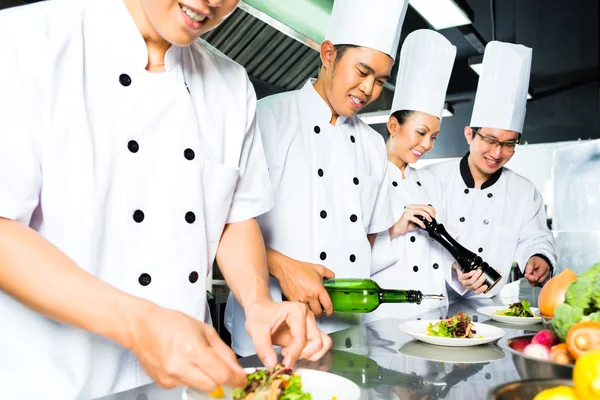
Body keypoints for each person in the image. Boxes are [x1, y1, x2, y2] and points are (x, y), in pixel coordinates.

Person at [0, 0, 330, 398]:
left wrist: (258, 302)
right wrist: (139, 323)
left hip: (184, 385)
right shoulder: (25, 40)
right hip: (55, 381)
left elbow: (232, 216)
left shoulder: (230, 83)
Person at [226, 0, 409, 357]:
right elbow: (224, 223)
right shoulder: (264, 118)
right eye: (361, 71)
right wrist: (283, 268)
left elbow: (367, 237)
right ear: (328, 54)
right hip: (271, 329)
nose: (369, 90)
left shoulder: (374, 145)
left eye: (381, 81)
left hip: (349, 333)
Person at [424, 41, 556, 298]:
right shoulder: (430, 179)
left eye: (508, 144)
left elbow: (535, 238)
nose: (497, 153)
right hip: (431, 302)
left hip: (489, 311)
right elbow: (413, 246)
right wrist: (452, 269)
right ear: (469, 135)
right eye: (490, 141)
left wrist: (540, 257)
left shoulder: (523, 192)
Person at [368, 29, 457, 322]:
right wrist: (394, 228)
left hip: (435, 314)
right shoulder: (365, 175)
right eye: (420, 133)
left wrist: (458, 272)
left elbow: (440, 254)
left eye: (434, 136)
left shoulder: (431, 183)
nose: (427, 145)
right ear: (393, 125)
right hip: (385, 321)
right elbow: (344, 262)